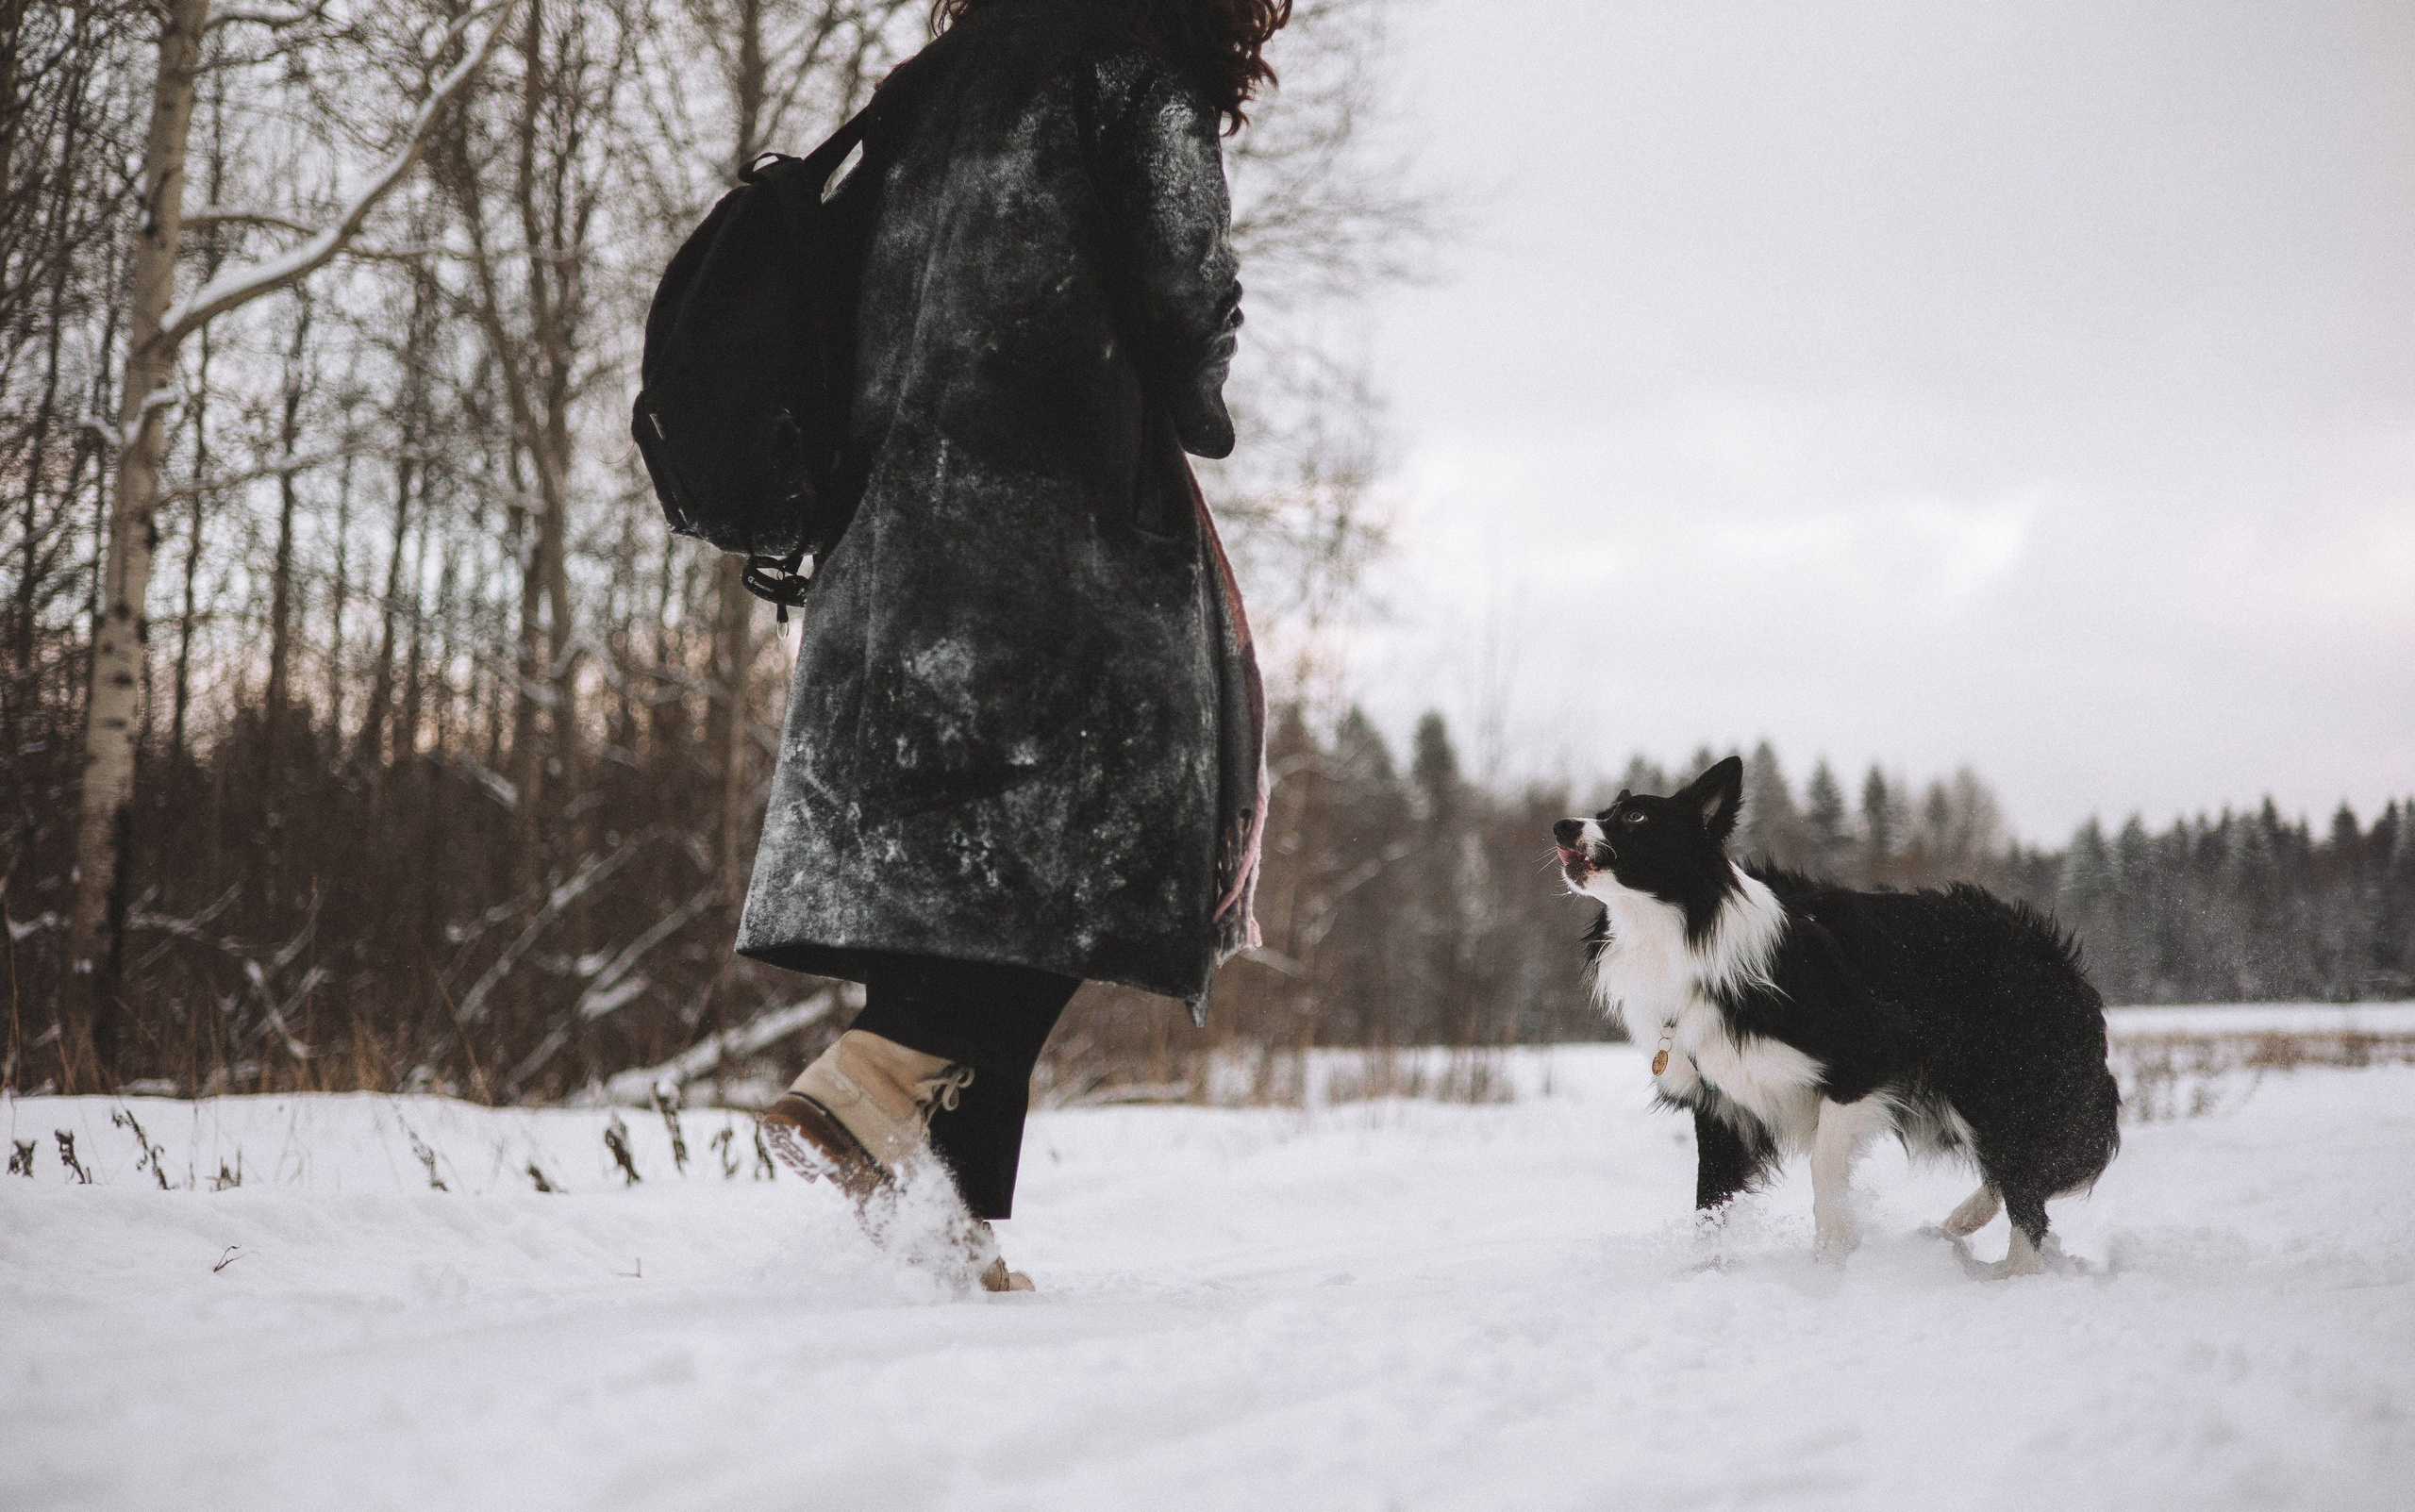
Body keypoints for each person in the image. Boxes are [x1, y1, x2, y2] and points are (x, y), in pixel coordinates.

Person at [740, 0, 1285, 1291]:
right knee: (1096, 847)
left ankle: (938, 1224)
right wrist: (1196, 395)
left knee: (961, 870)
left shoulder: (934, 80)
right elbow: (1186, 287)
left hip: (892, 540)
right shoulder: (1131, 71)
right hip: (1051, 541)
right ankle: (877, 1076)